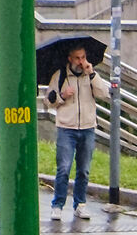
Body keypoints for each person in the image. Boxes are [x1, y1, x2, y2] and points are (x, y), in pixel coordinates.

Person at [44, 44, 113, 221]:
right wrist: (62, 96)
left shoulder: (90, 75)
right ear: (70, 59)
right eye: (77, 58)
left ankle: (80, 204)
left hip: (88, 127)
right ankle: (57, 205)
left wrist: (92, 74)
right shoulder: (60, 76)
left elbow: (104, 94)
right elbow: (48, 101)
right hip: (67, 128)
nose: (81, 62)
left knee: (84, 170)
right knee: (64, 168)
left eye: (83, 57)